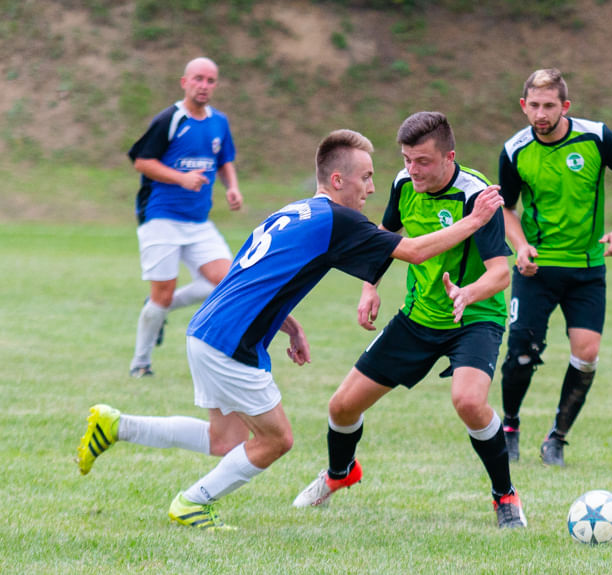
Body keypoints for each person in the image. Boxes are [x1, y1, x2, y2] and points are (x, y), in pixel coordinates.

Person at [76, 129, 505, 530]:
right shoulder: (339, 220)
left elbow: (252, 276)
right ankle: (192, 502)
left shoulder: (292, 211)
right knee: (276, 440)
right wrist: (474, 219)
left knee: (223, 439)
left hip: (207, 329)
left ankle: (117, 425)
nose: (372, 188)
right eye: (366, 178)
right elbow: (412, 250)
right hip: (231, 343)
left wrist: (291, 326)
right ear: (338, 180)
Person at [293, 112, 527, 528]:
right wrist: (370, 285)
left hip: (474, 318)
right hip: (419, 317)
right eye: (406, 160)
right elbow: (385, 235)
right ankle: (339, 473)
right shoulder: (405, 185)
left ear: (448, 157)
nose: (411, 170)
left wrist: (468, 293)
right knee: (342, 406)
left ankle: (505, 497)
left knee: (469, 402)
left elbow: (500, 273)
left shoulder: (477, 198)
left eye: (422, 161)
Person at [497, 68, 612, 467]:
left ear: (565, 106)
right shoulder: (514, 151)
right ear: (523, 106)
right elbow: (506, 210)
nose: (541, 113)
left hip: (586, 271)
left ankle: (557, 439)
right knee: (521, 353)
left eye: (549, 106)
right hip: (537, 271)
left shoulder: (596, 138)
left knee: (587, 353)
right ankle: (509, 427)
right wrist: (521, 245)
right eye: (533, 105)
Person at [127, 57, 243, 378]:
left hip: (198, 222)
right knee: (162, 292)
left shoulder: (219, 121)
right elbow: (141, 161)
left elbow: (224, 159)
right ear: (185, 82)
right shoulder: (171, 119)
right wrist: (181, 178)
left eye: (210, 80)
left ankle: (157, 310)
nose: (204, 86)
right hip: (160, 217)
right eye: (198, 79)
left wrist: (232, 187)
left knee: (227, 281)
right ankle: (140, 364)